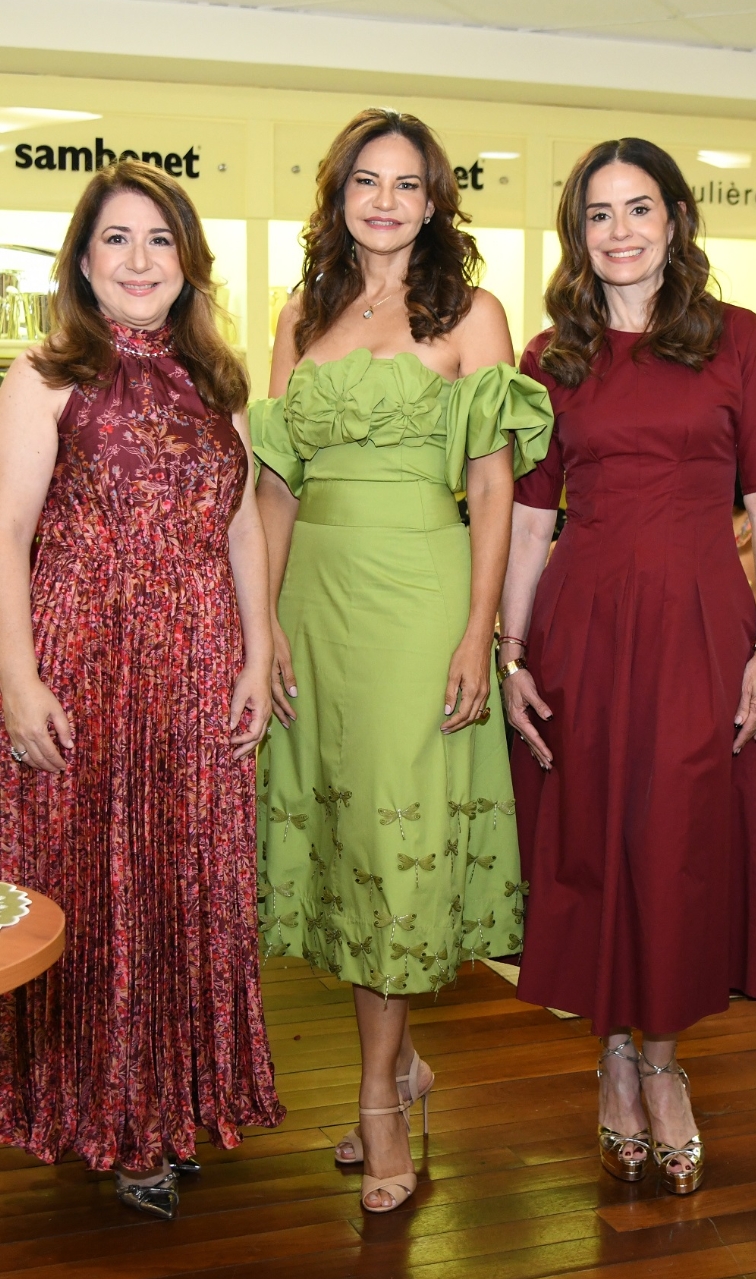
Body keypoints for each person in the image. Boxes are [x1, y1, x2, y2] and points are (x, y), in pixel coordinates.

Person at [251, 108, 551, 1213]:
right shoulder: (300, 315)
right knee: (346, 833)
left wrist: (482, 631)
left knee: (392, 831)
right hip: (312, 601)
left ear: (436, 202)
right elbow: (275, 483)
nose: (385, 200)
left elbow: (491, 487)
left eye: (408, 184)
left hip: (418, 598)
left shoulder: (471, 312)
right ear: (338, 196)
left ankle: (380, 1104)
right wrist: (261, 620)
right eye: (365, 182)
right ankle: (401, 1063)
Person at [0, 160, 284, 1219]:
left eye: (159, 240)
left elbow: (244, 522)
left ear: (187, 262)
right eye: (116, 239)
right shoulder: (43, 375)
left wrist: (259, 653)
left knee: (186, 888)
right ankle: (111, 1121)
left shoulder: (221, 382)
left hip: (199, 663)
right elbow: (7, 533)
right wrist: (17, 679)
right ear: (82, 259)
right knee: (98, 890)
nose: (138, 260)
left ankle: (172, 1100)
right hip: (82, 659)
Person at [501, 137, 756, 1196]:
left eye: (638, 209)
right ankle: (614, 1053)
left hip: (707, 625)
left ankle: (663, 1061)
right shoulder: (550, 357)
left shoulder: (739, 340)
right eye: (598, 213)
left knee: (680, 839)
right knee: (599, 840)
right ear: (578, 234)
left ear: (675, 220)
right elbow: (530, 523)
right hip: (585, 628)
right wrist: (511, 652)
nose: (619, 231)